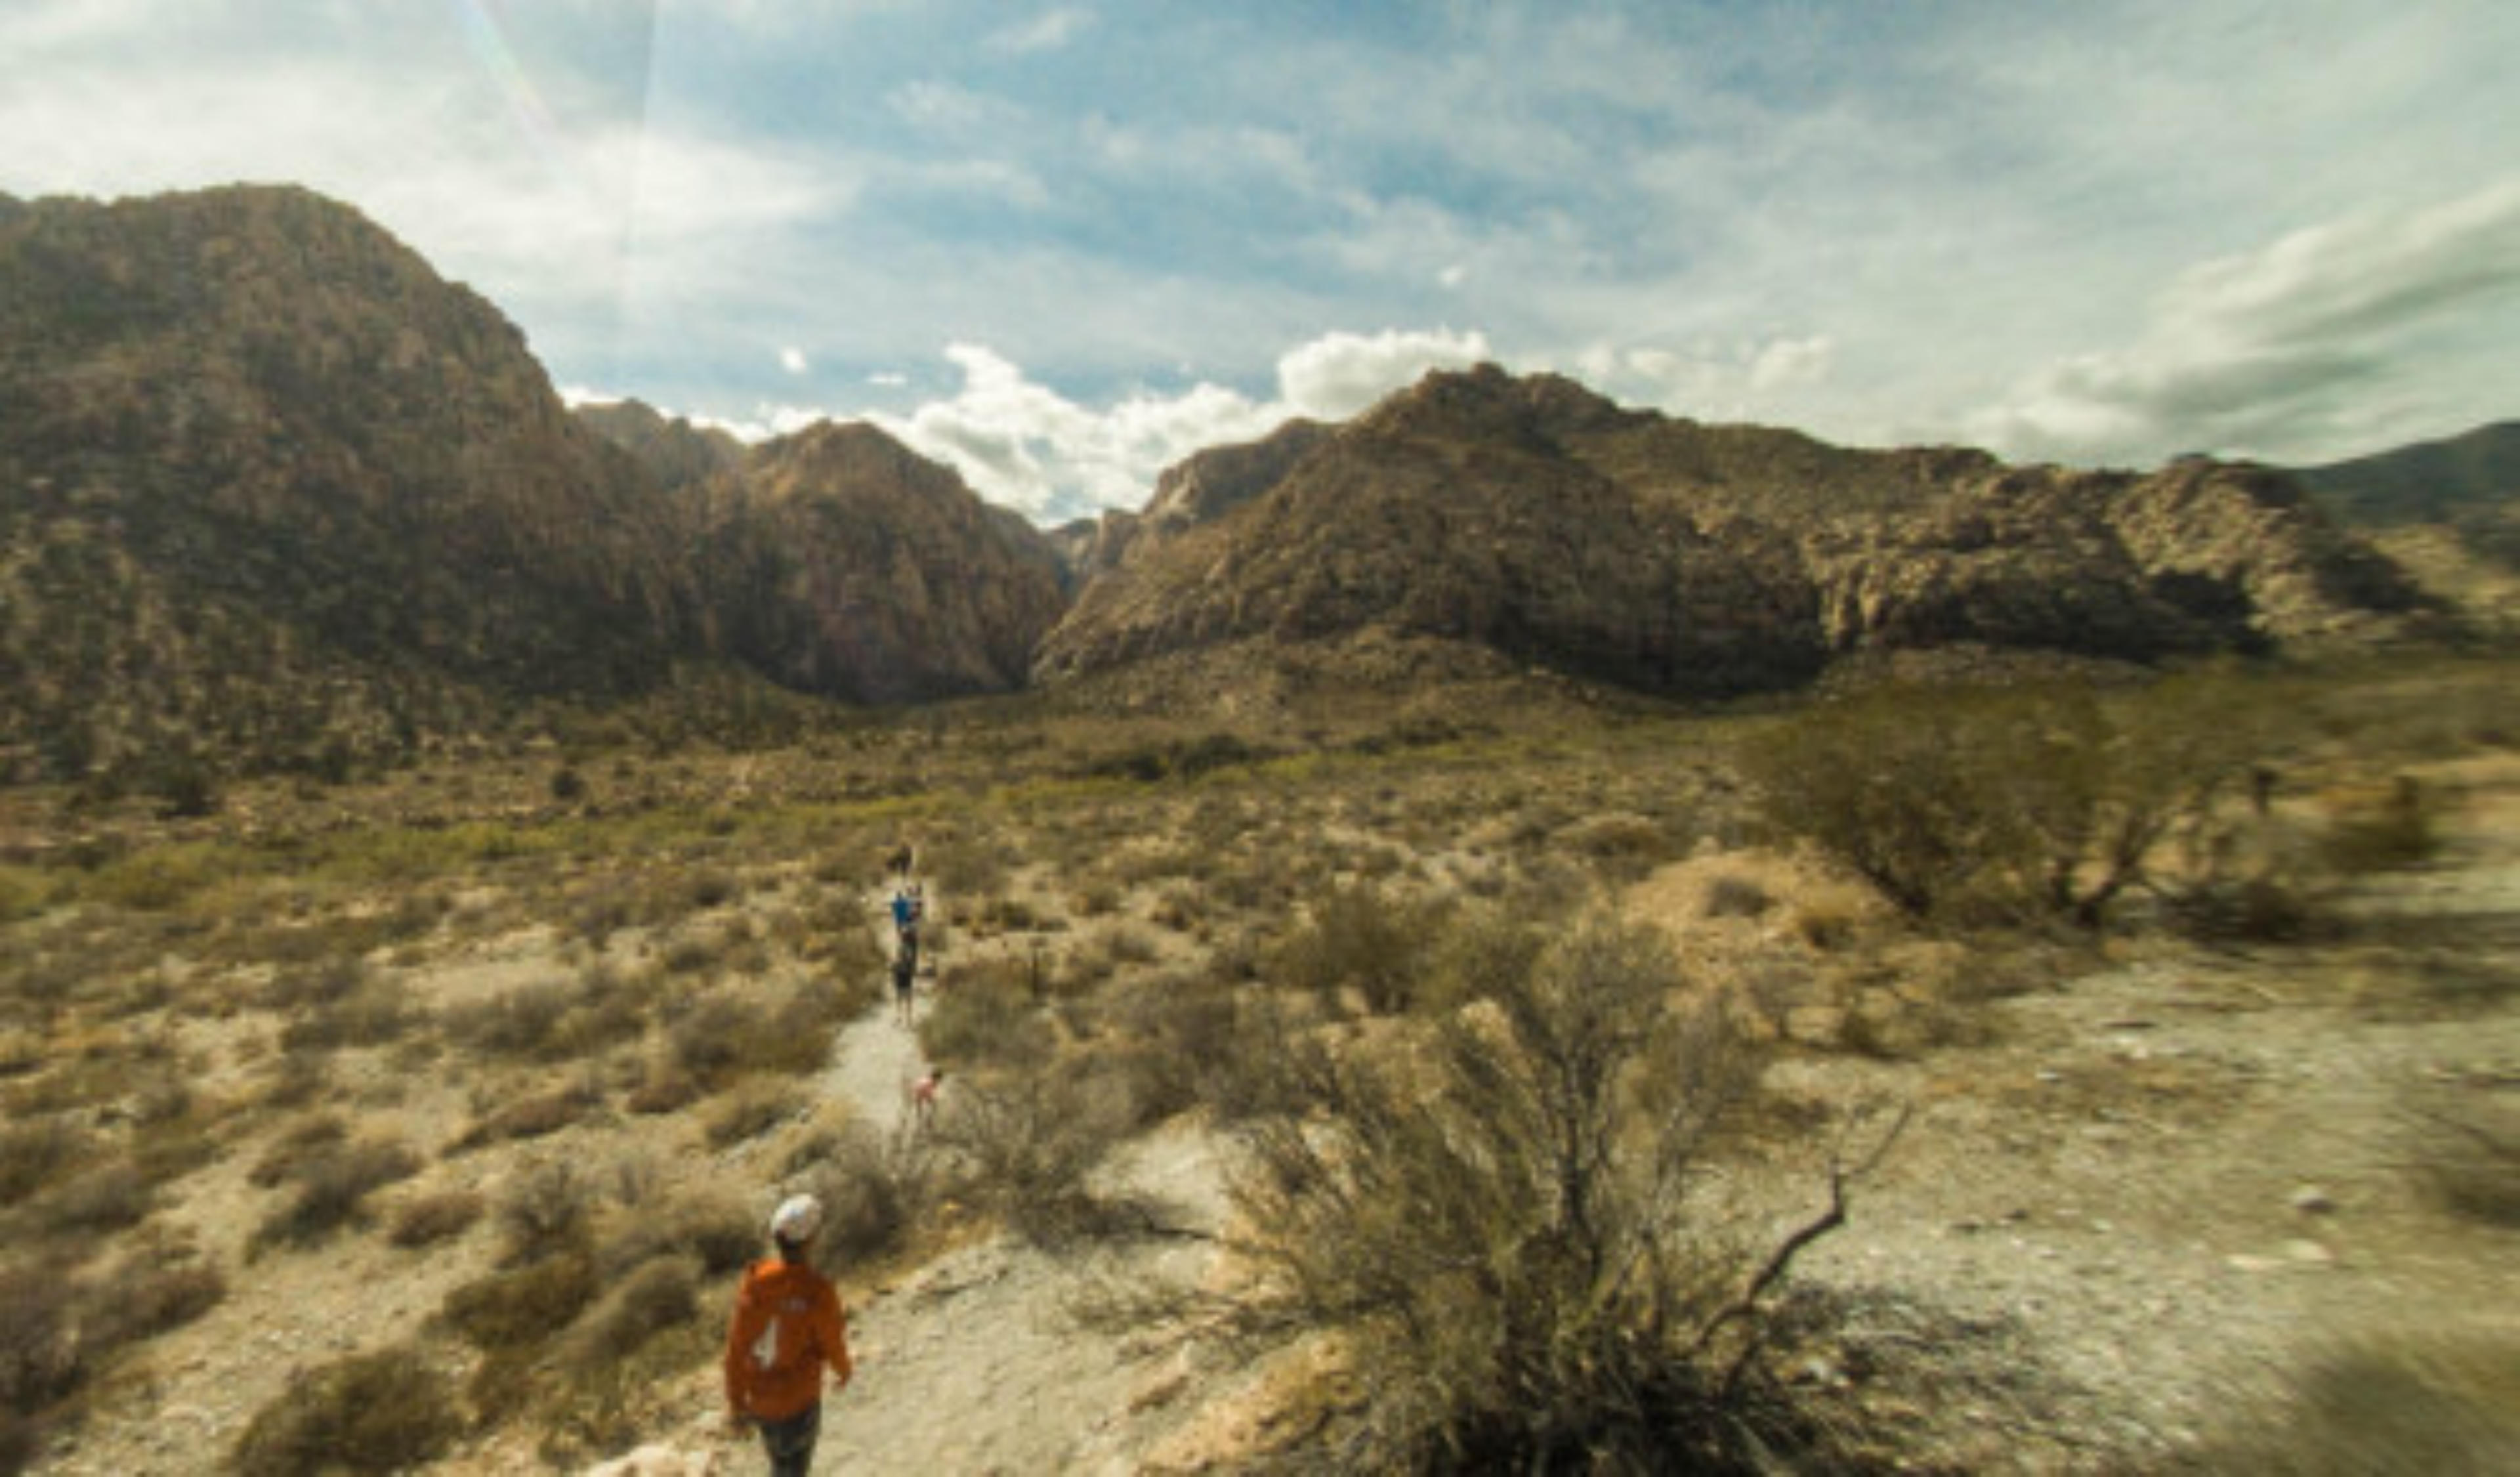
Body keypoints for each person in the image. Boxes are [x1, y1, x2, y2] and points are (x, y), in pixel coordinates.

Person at [723, 1193, 853, 1477]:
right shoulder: (817, 1291)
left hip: (761, 1400)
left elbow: (736, 1349)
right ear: (811, 1240)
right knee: (795, 1467)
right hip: (799, 1398)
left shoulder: (755, 1282)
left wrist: (736, 1403)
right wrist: (843, 1369)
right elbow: (831, 1340)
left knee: (780, 1464)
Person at [891, 946, 917, 1027]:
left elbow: (893, 974)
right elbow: (912, 973)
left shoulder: (898, 964)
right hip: (905, 985)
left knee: (901, 1003)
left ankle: (902, 1019)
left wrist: (893, 983)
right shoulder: (907, 964)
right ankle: (906, 1020)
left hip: (902, 985)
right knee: (905, 1003)